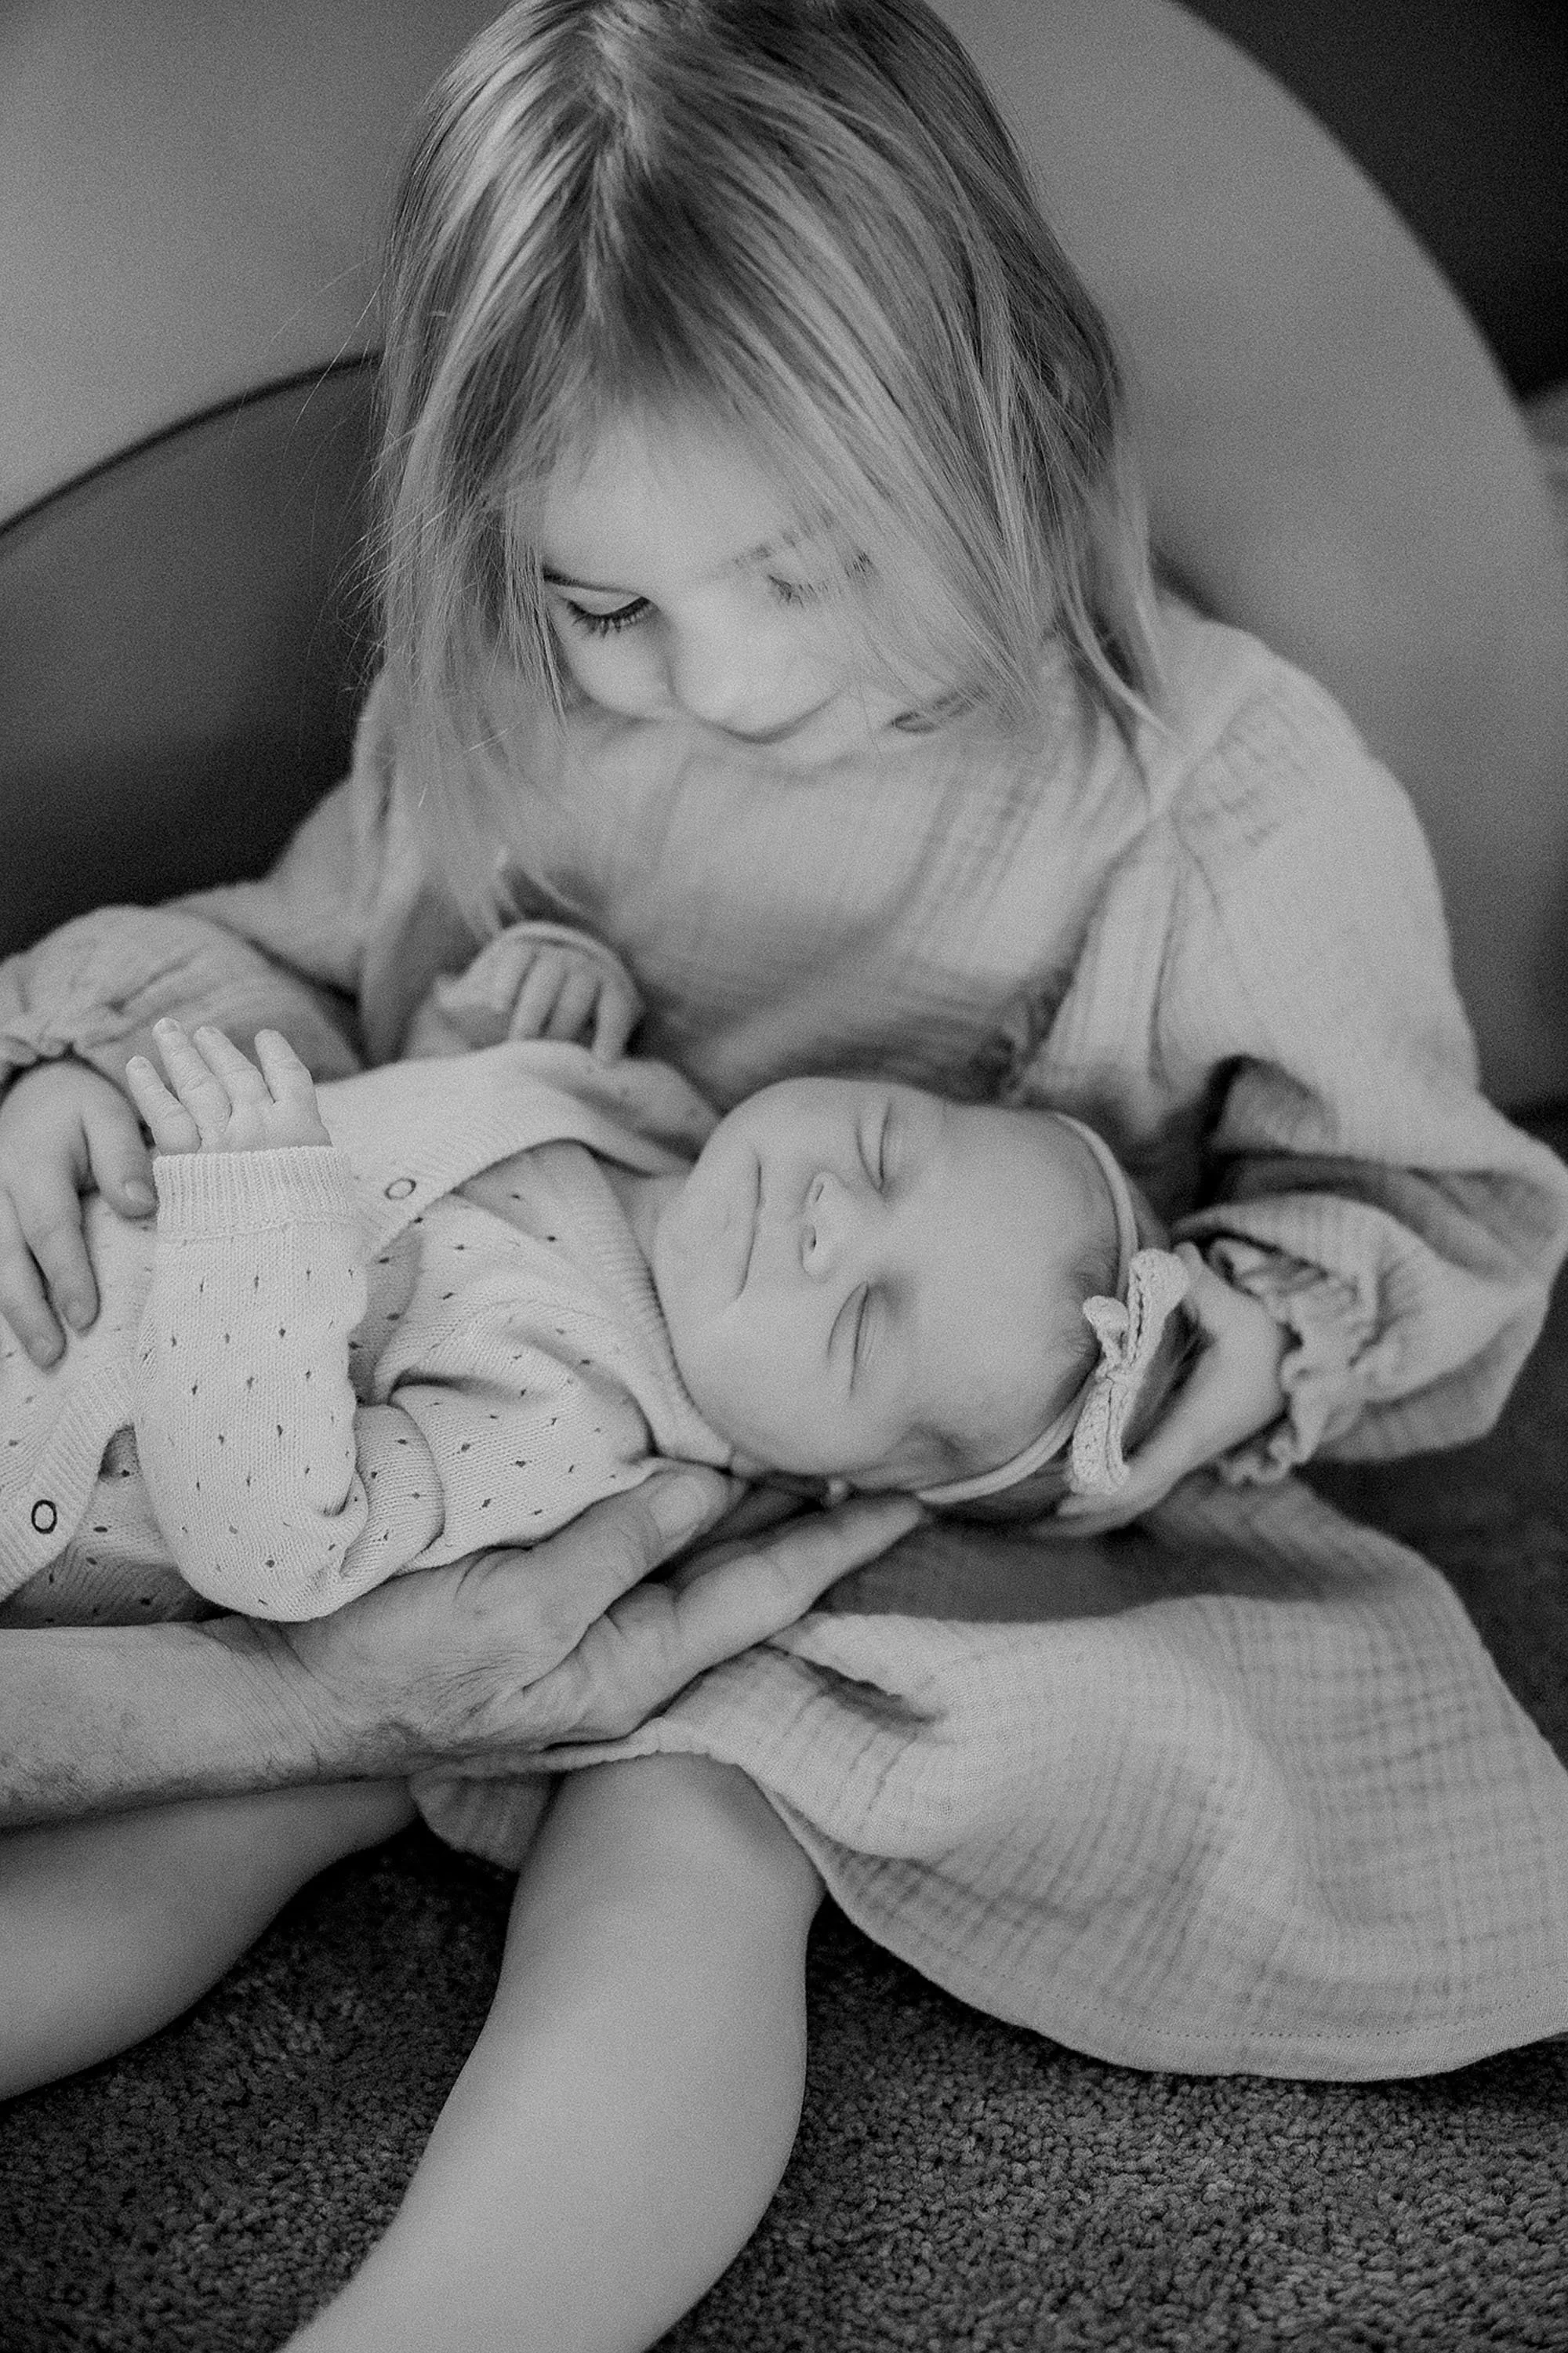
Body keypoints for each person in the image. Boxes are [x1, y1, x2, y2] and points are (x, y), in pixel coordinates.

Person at [2, 4, 1567, 2347]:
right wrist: (74, 1067)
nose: (717, 683)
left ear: (999, 419)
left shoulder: (1215, 808)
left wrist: (1264, 1334)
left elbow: (1428, 1211)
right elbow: (298, 969)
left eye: (807, 570)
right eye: (608, 602)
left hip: (875, 1519)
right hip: (448, 1454)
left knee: (686, 1849)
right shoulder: (520, 722)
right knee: (234, 1779)